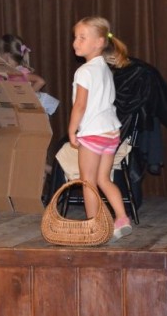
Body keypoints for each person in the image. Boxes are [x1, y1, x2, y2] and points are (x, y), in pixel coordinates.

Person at [67, 16, 133, 242]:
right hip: (111, 133)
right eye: (75, 37)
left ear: (99, 42)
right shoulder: (105, 68)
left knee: (88, 181)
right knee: (104, 179)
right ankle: (122, 218)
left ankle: (92, 227)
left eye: (82, 37)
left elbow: (80, 105)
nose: (76, 42)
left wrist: (72, 130)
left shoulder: (84, 71)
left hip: (93, 133)